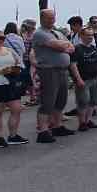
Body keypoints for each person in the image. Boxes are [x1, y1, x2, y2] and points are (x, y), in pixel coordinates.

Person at [30, 9, 75, 143]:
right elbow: (56, 45)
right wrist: (63, 46)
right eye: (49, 18)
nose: (52, 20)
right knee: (48, 101)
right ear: (42, 18)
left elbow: (71, 46)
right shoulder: (40, 34)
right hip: (49, 70)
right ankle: (42, 130)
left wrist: (64, 46)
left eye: (53, 18)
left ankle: (57, 125)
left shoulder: (57, 32)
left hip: (62, 70)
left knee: (61, 99)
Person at [72, 25, 97, 131]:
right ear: (81, 36)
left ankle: (88, 120)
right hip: (83, 79)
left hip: (94, 78)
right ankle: (81, 123)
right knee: (83, 101)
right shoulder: (77, 49)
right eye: (88, 35)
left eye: (92, 35)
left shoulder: (95, 48)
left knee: (93, 100)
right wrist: (78, 79)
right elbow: (73, 65)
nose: (90, 37)